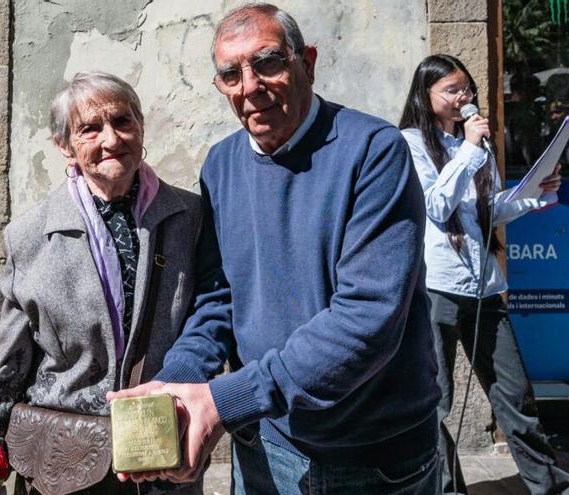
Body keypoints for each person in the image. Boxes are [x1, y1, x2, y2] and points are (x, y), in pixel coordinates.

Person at [109, 4, 441, 494]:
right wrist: (176, 385)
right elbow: (218, 298)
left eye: (268, 62)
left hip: (368, 456)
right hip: (262, 442)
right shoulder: (221, 165)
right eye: (230, 74)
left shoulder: (374, 150)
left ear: (306, 61)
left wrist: (224, 400)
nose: (250, 86)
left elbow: (367, 319)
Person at [0, 71, 202, 495]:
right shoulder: (29, 236)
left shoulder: (189, 217)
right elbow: (10, 366)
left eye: (123, 122)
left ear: (141, 126)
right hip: (63, 462)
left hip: (164, 459)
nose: (111, 139)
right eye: (90, 129)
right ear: (65, 146)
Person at [399, 54, 569, 495]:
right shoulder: (408, 143)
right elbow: (436, 207)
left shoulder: (478, 147)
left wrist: (535, 196)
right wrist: (467, 149)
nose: (463, 97)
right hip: (438, 287)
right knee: (436, 401)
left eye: (466, 88)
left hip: (485, 286)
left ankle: (553, 488)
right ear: (425, 97)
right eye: (451, 90)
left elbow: (487, 212)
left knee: (515, 393)